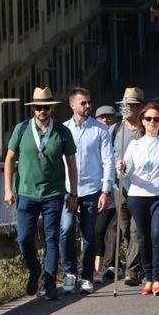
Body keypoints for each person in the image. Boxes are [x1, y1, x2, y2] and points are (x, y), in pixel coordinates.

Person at [4, 88, 79, 301]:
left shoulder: (62, 132)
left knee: (51, 238)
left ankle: (50, 282)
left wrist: (73, 193)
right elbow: (9, 159)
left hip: (53, 194)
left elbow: (72, 163)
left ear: (52, 108)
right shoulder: (21, 129)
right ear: (33, 109)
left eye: (46, 107)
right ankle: (35, 270)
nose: (42, 111)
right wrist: (8, 189)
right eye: (38, 107)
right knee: (25, 238)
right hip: (26, 194)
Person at [60, 88, 115, 295]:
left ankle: (86, 276)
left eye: (89, 102)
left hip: (92, 189)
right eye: (83, 103)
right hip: (67, 189)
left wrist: (106, 189)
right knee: (65, 230)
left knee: (90, 235)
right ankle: (69, 272)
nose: (88, 106)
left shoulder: (100, 130)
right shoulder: (64, 129)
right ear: (72, 105)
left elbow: (108, 160)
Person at [119, 102, 159, 295]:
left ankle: (158, 278)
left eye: (156, 119)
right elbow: (125, 167)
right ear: (142, 121)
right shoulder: (135, 144)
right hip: (138, 195)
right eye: (148, 119)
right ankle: (149, 277)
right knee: (143, 237)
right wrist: (121, 166)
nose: (152, 122)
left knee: (156, 234)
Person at [112, 87, 147, 286]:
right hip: (120, 188)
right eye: (125, 105)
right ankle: (138, 262)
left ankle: (132, 271)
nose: (128, 109)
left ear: (140, 107)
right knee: (125, 231)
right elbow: (108, 156)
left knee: (135, 230)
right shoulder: (115, 130)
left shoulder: (145, 130)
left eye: (132, 105)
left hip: (141, 189)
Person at [92, 104, 120, 286]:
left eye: (109, 117)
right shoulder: (93, 135)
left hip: (112, 190)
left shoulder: (117, 134)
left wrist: (107, 188)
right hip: (88, 191)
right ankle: (91, 267)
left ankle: (100, 268)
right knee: (93, 233)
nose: (106, 120)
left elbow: (110, 161)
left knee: (101, 231)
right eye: (102, 117)